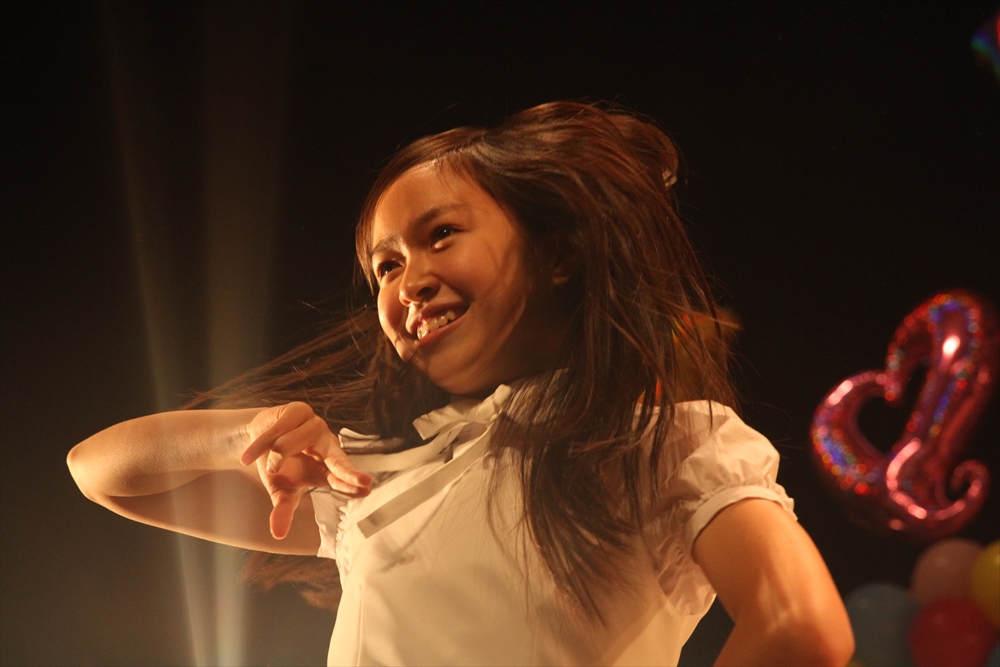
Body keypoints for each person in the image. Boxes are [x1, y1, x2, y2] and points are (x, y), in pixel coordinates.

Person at [68, 101, 854, 666]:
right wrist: (244, 433)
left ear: (557, 254)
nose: (407, 281)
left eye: (440, 234)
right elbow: (100, 470)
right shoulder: (371, 476)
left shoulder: (665, 443)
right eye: (385, 266)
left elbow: (800, 627)